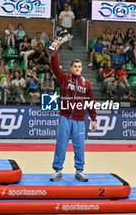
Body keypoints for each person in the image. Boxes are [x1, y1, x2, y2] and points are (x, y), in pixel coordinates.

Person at [49, 43, 97, 182]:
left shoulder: (86, 83)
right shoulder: (64, 78)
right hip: (65, 117)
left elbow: (91, 102)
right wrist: (55, 51)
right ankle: (58, 170)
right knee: (61, 144)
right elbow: (54, 66)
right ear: (70, 68)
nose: (77, 68)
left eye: (79, 67)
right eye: (75, 66)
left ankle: (79, 170)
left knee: (79, 146)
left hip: (79, 120)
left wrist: (93, 119)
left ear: (82, 68)